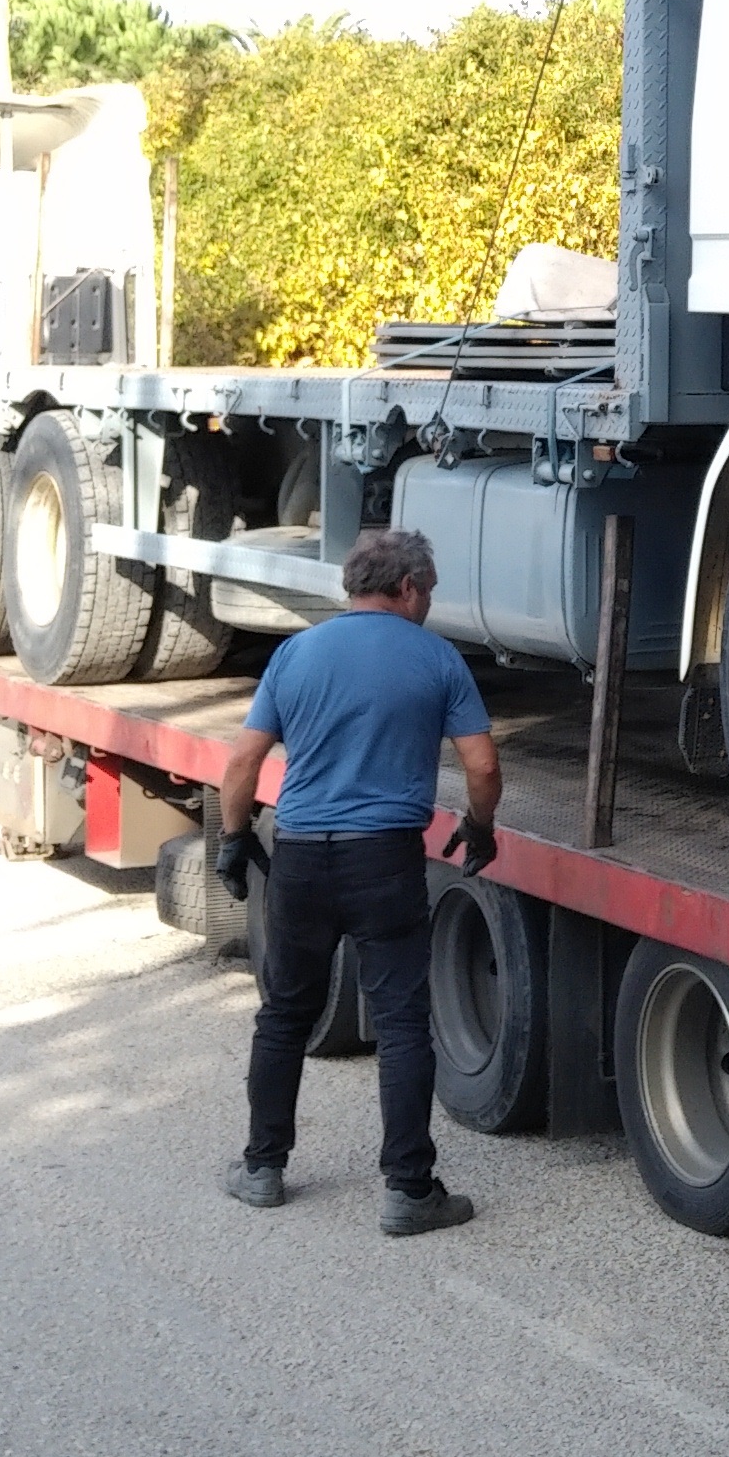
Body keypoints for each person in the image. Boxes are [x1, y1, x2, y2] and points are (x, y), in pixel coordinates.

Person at [213, 525, 502, 1236]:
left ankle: (262, 1169)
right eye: (428, 592)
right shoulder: (436, 659)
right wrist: (480, 826)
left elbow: (244, 762)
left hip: (303, 856)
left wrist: (232, 837)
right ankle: (409, 1191)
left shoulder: (296, 653)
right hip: (385, 858)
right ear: (406, 588)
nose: (428, 604)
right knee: (402, 1022)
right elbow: (484, 766)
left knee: (285, 1013)